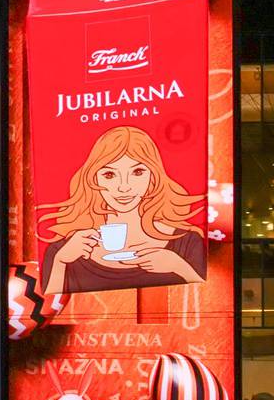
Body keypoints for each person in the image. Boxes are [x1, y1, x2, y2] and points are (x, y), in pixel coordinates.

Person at [38, 125, 207, 296]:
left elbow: (208, 299)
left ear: (153, 177)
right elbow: (49, 305)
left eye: (138, 172)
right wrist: (60, 261)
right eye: (109, 175)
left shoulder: (187, 242)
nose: (124, 187)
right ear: (92, 178)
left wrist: (179, 266)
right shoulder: (65, 250)